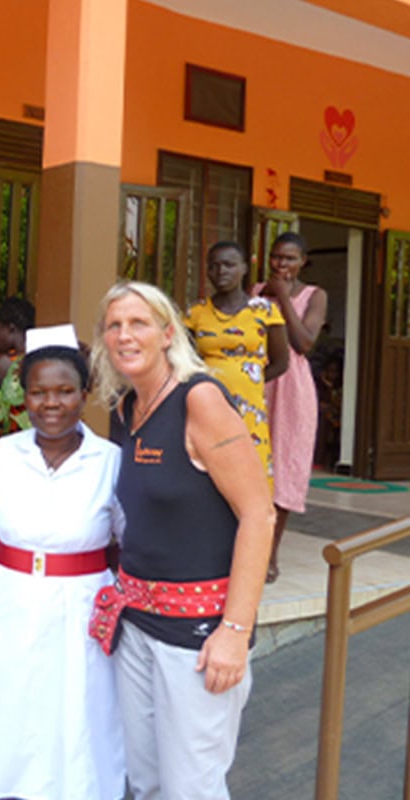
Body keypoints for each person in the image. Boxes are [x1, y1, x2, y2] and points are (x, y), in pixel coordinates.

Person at [91, 281, 274, 800]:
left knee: (191, 788)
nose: (125, 335)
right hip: (137, 623)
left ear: (168, 333)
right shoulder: (127, 409)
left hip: (198, 635)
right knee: (146, 783)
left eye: (139, 323)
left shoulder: (200, 399)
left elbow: (258, 515)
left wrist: (234, 632)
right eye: (114, 325)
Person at [0, 326, 125, 799]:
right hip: (8, 606)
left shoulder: (111, 462)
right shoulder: (2, 457)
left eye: (65, 392)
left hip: (84, 609)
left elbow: (128, 550)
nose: (52, 404)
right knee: (10, 721)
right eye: (39, 393)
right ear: (24, 396)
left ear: (85, 395)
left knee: (77, 721)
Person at [254, 232, 328, 582]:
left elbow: (304, 342)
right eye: (276, 257)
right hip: (255, 383)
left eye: (289, 258)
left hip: (292, 390)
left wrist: (283, 296)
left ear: (303, 261)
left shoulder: (315, 295)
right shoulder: (254, 292)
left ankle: (269, 554)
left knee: (284, 467)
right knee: (249, 465)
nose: (281, 264)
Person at [185, 241, 289, 488]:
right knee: (207, 474)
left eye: (229, 265)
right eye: (214, 266)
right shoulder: (195, 313)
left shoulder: (265, 310)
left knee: (250, 479)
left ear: (244, 268)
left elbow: (281, 362)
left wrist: (247, 382)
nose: (221, 272)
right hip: (206, 407)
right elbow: (185, 361)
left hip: (248, 409)